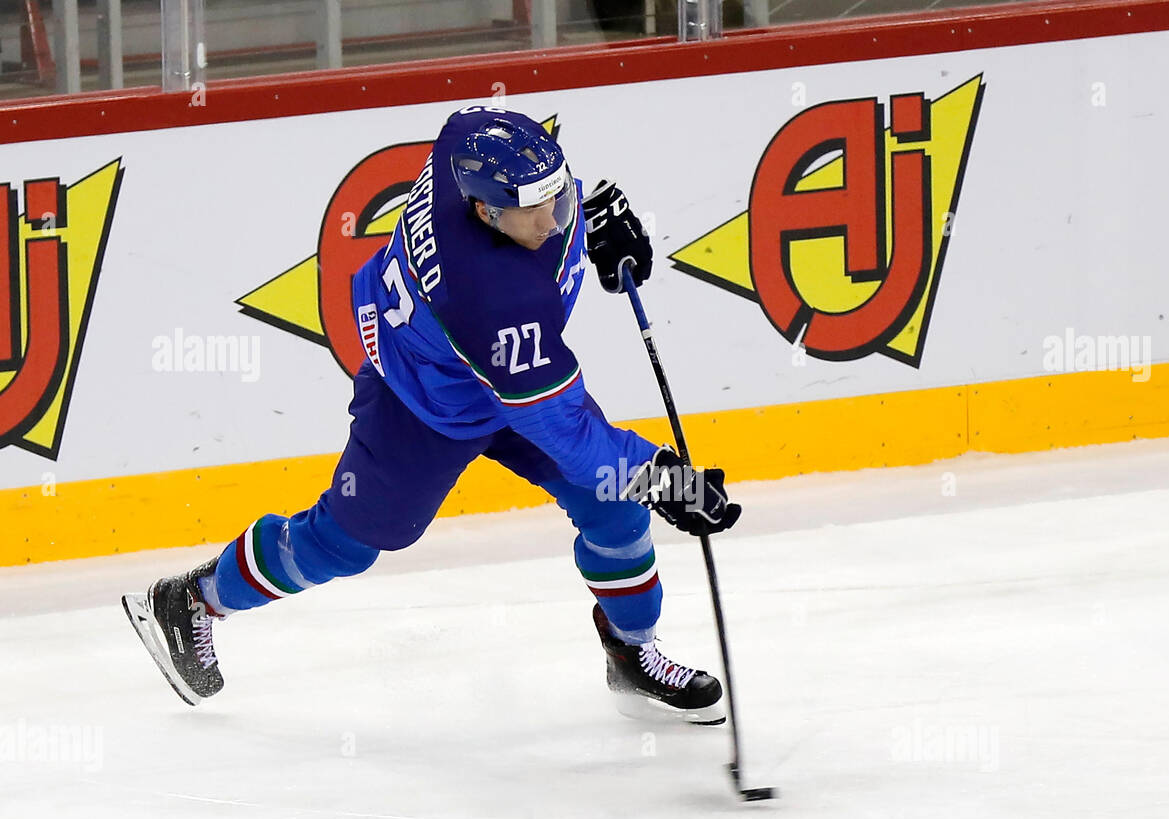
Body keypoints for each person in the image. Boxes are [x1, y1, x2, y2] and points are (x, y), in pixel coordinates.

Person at [122, 106, 741, 724]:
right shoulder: (491, 295)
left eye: (558, 195)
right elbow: (569, 433)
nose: (553, 218)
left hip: (493, 365)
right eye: (536, 209)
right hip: (422, 401)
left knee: (611, 502)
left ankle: (631, 652)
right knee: (347, 544)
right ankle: (193, 601)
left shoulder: (466, 146)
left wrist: (592, 216)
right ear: (485, 211)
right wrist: (666, 480)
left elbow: (523, 167)